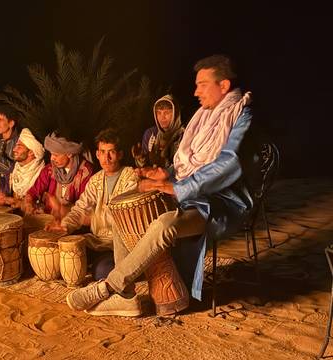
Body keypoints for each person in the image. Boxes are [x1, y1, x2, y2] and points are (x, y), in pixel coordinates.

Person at [66, 54, 254, 317]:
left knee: (162, 226)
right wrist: (164, 175)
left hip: (218, 204)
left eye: (202, 84)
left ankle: (110, 287)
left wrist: (178, 189)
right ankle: (127, 298)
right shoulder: (204, 117)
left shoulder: (241, 114)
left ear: (223, 86)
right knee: (123, 213)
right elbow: (188, 164)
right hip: (188, 197)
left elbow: (229, 163)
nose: (195, 91)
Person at [46, 128, 138, 280]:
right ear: (97, 154)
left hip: (120, 245)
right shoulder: (95, 180)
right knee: (64, 255)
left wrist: (91, 218)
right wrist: (65, 226)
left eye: (111, 152)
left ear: (120, 154)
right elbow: (80, 209)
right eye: (102, 152)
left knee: (102, 271)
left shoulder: (130, 178)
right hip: (97, 241)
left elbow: (122, 216)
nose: (106, 158)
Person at [24, 132, 94, 217]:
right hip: (49, 221)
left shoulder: (86, 172)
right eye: (51, 154)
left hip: (74, 225)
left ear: (69, 153)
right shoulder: (49, 170)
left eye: (56, 155)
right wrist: (29, 203)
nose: (52, 158)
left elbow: (85, 207)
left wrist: (61, 209)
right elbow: (33, 192)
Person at [0, 128, 45, 210]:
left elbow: (46, 207)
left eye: (19, 146)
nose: (14, 149)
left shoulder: (44, 174)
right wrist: (1, 198)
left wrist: (21, 204)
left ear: (31, 152)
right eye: (15, 146)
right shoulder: (13, 170)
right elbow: (5, 192)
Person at [132, 94, 184, 168]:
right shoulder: (151, 134)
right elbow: (144, 166)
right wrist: (140, 157)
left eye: (166, 113)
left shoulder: (184, 135)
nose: (162, 117)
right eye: (159, 113)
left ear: (175, 114)